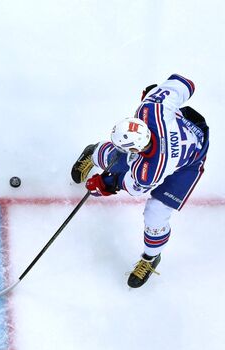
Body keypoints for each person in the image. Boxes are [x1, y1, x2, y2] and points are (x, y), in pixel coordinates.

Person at [71, 74, 208, 288]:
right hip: (181, 128)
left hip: (189, 162)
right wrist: (155, 94)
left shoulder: (149, 171)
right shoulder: (151, 109)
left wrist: (105, 185)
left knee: (156, 212)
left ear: (138, 149)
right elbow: (185, 83)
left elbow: (133, 187)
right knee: (118, 159)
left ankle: (151, 257)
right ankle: (94, 152)